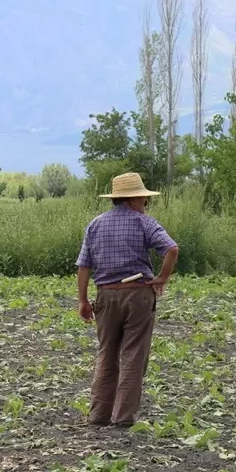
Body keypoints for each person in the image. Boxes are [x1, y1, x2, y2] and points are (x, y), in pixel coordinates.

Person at [75, 171, 179, 427]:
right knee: (133, 355)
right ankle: (123, 418)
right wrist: (163, 277)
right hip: (138, 294)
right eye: (144, 200)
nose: (146, 204)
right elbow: (172, 249)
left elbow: (84, 265)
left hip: (106, 295)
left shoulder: (95, 224)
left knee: (106, 355)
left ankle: (99, 415)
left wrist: (83, 300)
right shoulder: (144, 222)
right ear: (132, 200)